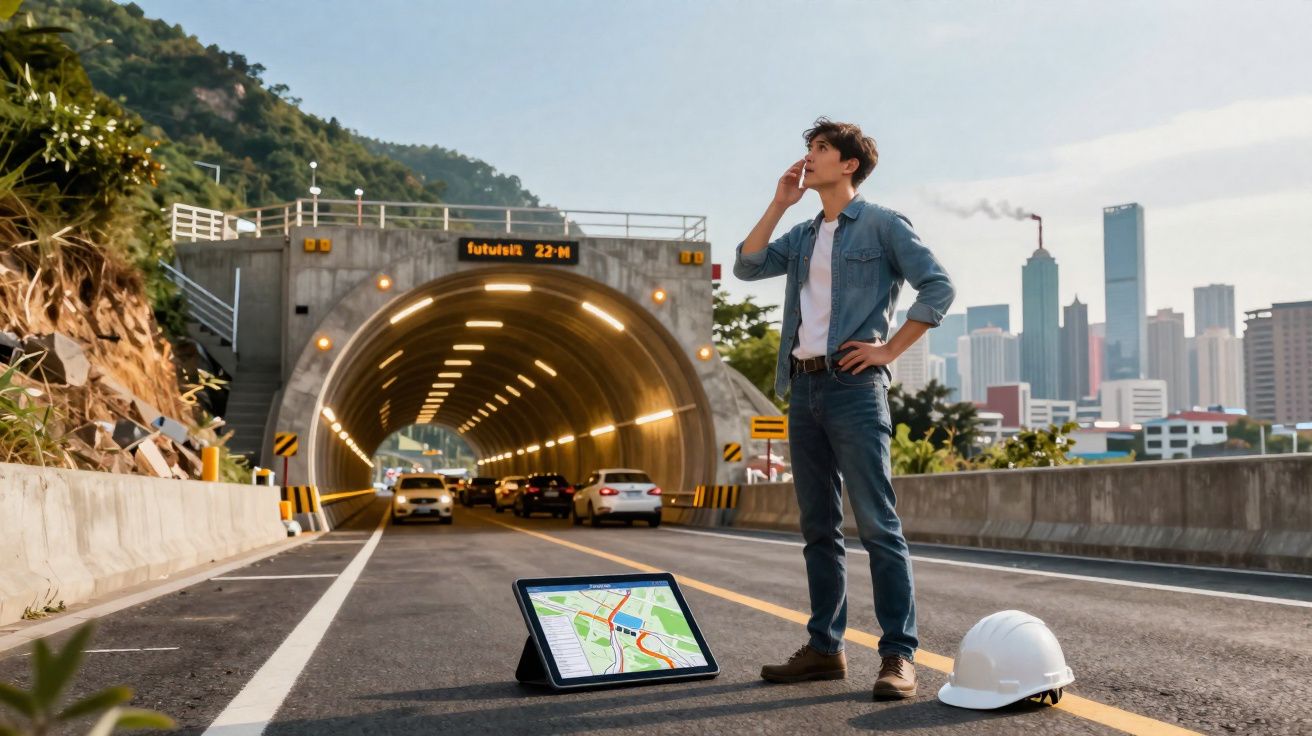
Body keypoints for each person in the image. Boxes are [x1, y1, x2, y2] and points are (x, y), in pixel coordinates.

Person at [734, 118, 955, 700]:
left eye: (821, 149)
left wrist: (888, 350)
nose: (808, 157)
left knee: (879, 527)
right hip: (803, 391)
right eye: (808, 148)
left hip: (855, 389)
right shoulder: (805, 235)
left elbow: (938, 287)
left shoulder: (882, 225)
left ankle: (898, 656)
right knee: (818, 530)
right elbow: (748, 264)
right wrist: (779, 203)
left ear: (849, 164)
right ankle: (825, 649)